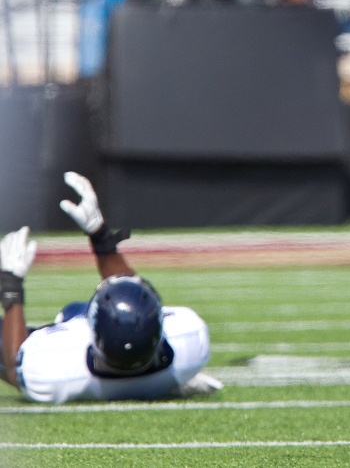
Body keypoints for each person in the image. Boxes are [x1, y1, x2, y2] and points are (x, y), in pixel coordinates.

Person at [0, 172, 216, 404]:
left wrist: (11, 287)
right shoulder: (190, 341)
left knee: (73, 311)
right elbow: (133, 295)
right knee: (115, 311)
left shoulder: (54, 368)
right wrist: (100, 235)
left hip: (67, 355)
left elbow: (15, 365)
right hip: (160, 372)